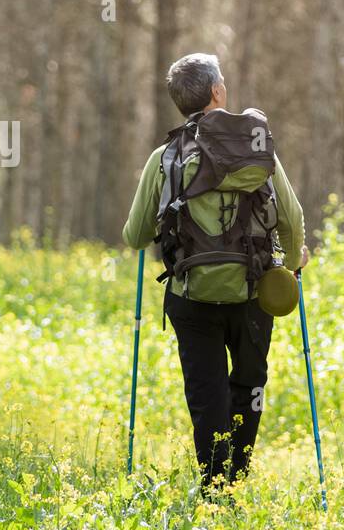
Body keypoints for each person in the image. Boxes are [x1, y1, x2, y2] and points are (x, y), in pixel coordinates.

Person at [123, 52, 308, 488]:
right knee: (249, 386)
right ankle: (238, 480)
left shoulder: (165, 157)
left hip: (192, 295)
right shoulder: (259, 151)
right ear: (217, 93)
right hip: (253, 293)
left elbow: (135, 235)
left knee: (207, 398)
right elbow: (293, 218)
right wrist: (294, 264)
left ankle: (213, 488)